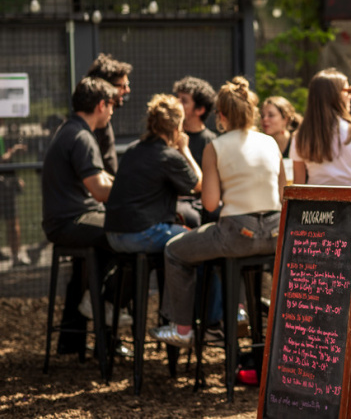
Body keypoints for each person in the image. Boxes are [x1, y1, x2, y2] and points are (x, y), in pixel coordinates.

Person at [149, 76, 284, 347]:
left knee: (175, 251)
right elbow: (283, 195)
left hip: (237, 234)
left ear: (221, 115)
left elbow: (209, 203)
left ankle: (183, 329)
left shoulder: (216, 147)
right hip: (274, 234)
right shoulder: (270, 142)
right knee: (230, 257)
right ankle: (240, 311)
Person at [41, 77, 119, 354]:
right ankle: (105, 302)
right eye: (111, 106)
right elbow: (99, 189)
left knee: (117, 234)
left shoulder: (70, 130)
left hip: (66, 219)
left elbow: (101, 176)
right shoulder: (82, 137)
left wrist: (121, 182)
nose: (112, 112)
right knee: (126, 232)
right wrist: (133, 192)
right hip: (70, 221)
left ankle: (96, 302)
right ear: (101, 105)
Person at [104, 94, 202, 254]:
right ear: (177, 126)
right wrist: (185, 150)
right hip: (140, 234)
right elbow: (199, 184)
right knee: (197, 242)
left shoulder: (132, 149)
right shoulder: (168, 156)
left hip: (113, 234)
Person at [292, 69, 351, 187]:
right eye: (348, 90)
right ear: (334, 95)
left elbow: (298, 186)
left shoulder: (301, 135)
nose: (350, 96)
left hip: (314, 203)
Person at [172, 76, 217, 227]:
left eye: (183, 101)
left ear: (200, 109)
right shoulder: (168, 137)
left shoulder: (212, 142)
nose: (176, 104)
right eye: (176, 98)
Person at [86, 53, 133, 175]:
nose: (127, 90)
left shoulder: (102, 123)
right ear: (107, 87)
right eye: (123, 86)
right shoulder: (89, 127)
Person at [0, 124, 28, 266]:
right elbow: (2, 159)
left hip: (8, 185)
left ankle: (15, 256)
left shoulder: (4, 135)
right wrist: (14, 151)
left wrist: (16, 178)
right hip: (2, 187)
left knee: (13, 223)